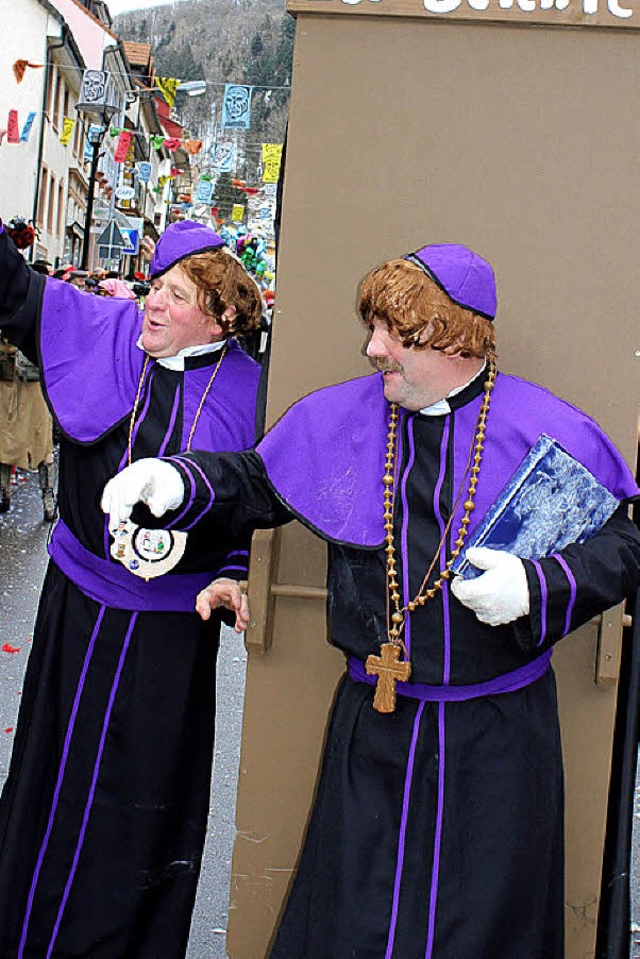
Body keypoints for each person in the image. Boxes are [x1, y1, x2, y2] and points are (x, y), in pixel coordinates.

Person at [101, 242, 640, 959]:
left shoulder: (546, 429)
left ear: (454, 337)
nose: (372, 348)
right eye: (375, 328)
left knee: (480, 934)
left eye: (395, 334)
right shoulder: (345, 416)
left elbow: (622, 547)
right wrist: (178, 482)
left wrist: (538, 586)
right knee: (353, 926)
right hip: (374, 737)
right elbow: (259, 482)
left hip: (497, 746)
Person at [0, 218, 263, 958]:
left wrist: (235, 572)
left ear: (223, 313)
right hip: (75, 612)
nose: (151, 304)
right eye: (153, 286)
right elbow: (13, 290)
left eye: (174, 296)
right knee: (50, 784)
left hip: (167, 636)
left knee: (140, 809)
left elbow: (262, 499)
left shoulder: (255, 390)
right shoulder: (101, 328)